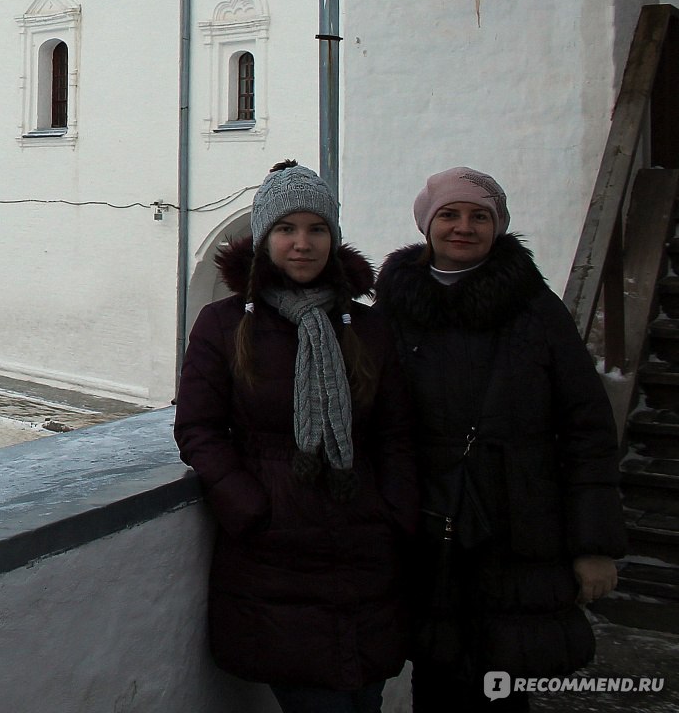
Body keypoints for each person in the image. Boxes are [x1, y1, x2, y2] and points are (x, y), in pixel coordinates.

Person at [374, 167, 624, 712]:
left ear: (498, 226)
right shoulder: (396, 311)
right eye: (450, 214)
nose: (464, 227)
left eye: (479, 216)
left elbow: (587, 429)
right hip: (429, 525)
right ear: (426, 223)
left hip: (521, 524)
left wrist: (594, 545)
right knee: (435, 672)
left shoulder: (535, 310)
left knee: (506, 677)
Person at [175, 161, 415, 713]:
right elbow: (198, 428)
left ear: (334, 237)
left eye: (316, 229)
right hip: (274, 554)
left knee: (365, 694)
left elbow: (396, 432)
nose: (302, 244)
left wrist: (395, 509)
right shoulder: (224, 323)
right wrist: (250, 506)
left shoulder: (367, 326)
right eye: (286, 230)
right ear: (264, 240)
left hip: (366, 550)